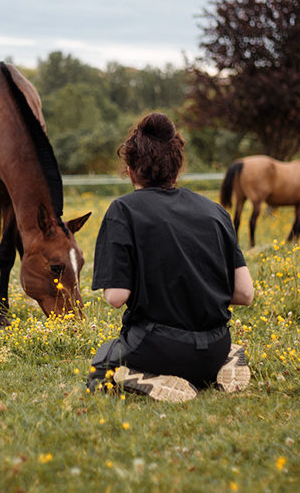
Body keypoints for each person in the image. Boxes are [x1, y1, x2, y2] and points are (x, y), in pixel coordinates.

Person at [86, 112, 254, 402]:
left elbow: (115, 297)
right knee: (211, 353)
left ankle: (147, 377)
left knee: (102, 365)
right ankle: (223, 363)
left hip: (157, 347)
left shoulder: (123, 211)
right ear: (176, 167)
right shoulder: (216, 212)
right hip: (216, 345)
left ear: (129, 168)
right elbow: (244, 293)